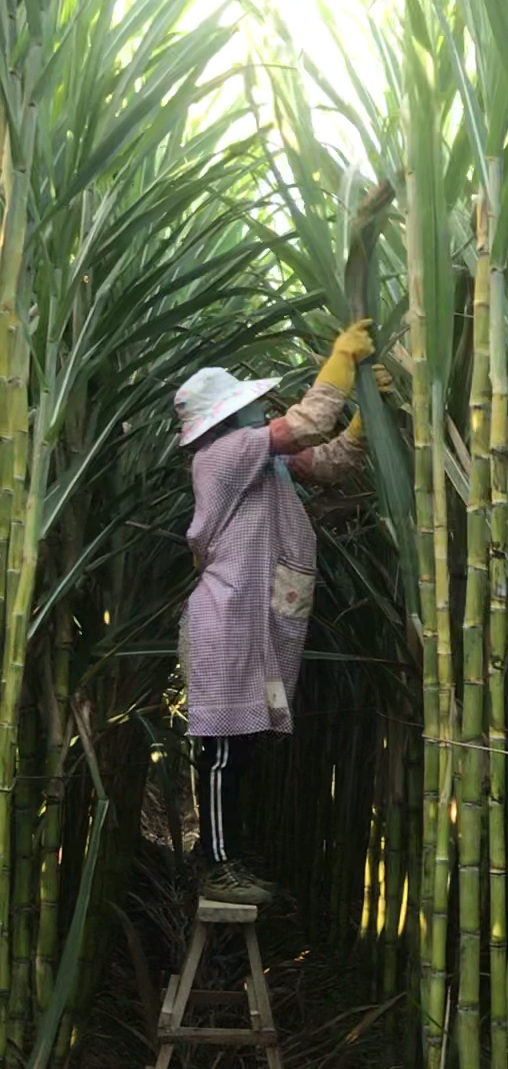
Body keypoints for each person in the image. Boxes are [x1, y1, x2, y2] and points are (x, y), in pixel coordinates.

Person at [174, 322, 385, 904]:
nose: (258, 411)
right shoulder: (221, 456)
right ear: (224, 419)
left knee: (238, 748)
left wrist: (370, 412)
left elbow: (335, 459)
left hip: (252, 623)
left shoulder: (265, 465)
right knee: (220, 750)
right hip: (225, 622)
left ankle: (225, 858)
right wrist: (342, 361)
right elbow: (305, 425)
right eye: (246, 405)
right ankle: (214, 865)